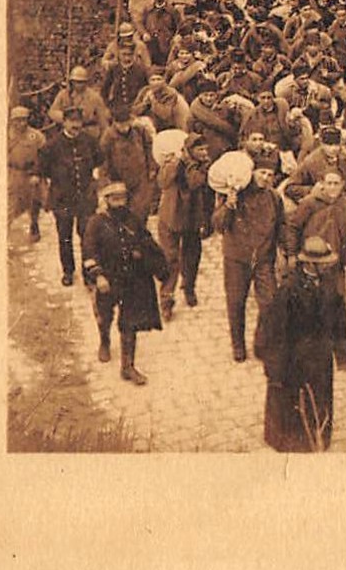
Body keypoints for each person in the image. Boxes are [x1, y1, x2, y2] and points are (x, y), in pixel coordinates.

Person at [285, 170, 346, 369]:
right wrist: (292, 254)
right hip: (310, 262)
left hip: (335, 264)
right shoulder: (309, 203)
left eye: (337, 183)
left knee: (338, 308)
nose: (333, 187)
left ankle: (344, 357)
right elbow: (292, 227)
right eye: (329, 183)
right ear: (322, 184)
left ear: (343, 184)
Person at [82, 182, 169, 384]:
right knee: (105, 315)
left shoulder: (133, 219)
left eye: (123, 198)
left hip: (131, 278)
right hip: (108, 278)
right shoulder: (96, 223)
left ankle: (127, 367)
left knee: (130, 322)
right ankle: (104, 340)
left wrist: (153, 262)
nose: (119, 203)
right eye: (115, 199)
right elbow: (89, 252)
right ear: (107, 200)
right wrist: (98, 276)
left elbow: (146, 241)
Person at [259, 236, 340, 453]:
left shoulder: (329, 284)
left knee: (319, 403)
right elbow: (274, 332)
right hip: (295, 363)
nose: (327, 267)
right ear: (310, 264)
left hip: (320, 361)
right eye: (323, 264)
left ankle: (318, 437)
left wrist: (340, 350)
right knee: (291, 409)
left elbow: (337, 318)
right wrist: (275, 370)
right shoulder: (288, 291)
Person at [212, 155, 285, 363]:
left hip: (263, 259)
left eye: (270, 175)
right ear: (252, 173)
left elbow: (282, 225)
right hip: (237, 258)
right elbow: (217, 225)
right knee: (236, 303)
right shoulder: (234, 194)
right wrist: (228, 206)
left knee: (269, 303)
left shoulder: (273, 197)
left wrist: (287, 250)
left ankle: (261, 343)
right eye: (262, 173)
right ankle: (238, 345)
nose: (266, 178)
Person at [39, 107, 103, 286]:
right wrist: (47, 197)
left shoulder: (90, 141)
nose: (76, 125)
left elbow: (99, 163)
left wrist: (95, 184)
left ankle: (88, 273)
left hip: (85, 199)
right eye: (72, 121)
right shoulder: (52, 145)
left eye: (79, 121)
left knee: (88, 237)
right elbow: (41, 172)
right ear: (64, 122)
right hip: (62, 199)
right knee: (65, 237)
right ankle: (68, 271)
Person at [156, 134, 214, 318]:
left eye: (206, 149)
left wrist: (207, 220)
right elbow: (162, 182)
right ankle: (166, 299)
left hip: (192, 220)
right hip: (170, 218)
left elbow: (202, 187)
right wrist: (173, 163)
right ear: (189, 151)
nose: (204, 153)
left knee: (192, 257)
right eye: (200, 150)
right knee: (170, 259)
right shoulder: (176, 163)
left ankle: (189, 288)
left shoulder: (206, 167)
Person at [99, 104, 156, 225]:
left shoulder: (140, 131)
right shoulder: (108, 137)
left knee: (140, 212)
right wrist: (105, 180)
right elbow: (103, 161)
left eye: (126, 123)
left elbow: (149, 149)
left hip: (141, 178)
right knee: (121, 213)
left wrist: (152, 168)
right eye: (120, 124)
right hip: (119, 180)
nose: (124, 127)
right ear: (115, 123)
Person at [286, 125, 346, 204]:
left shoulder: (343, 159)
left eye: (336, 145)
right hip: (320, 205)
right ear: (322, 144)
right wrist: (313, 190)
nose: (333, 148)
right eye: (329, 145)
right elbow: (290, 187)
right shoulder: (311, 162)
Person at [7, 106, 46, 238]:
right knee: (11, 203)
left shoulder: (35, 136)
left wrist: (37, 173)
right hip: (14, 172)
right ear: (12, 121)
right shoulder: (7, 135)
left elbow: (43, 156)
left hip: (31, 173)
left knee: (35, 201)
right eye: (17, 120)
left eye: (24, 120)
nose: (21, 123)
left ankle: (34, 225)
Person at [48, 65, 110, 141]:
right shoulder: (63, 94)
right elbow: (52, 112)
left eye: (82, 82)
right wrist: (67, 118)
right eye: (76, 82)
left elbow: (103, 120)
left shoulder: (94, 97)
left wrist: (104, 139)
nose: (79, 85)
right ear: (72, 82)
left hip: (87, 132)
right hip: (68, 132)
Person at [132, 68, 190, 133]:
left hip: (170, 128)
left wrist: (152, 100)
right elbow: (134, 110)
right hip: (151, 126)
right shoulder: (144, 91)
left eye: (158, 79)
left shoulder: (170, 93)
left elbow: (165, 115)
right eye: (153, 80)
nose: (155, 82)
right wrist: (144, 105)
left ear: (164, 81)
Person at [101, 40, 149, 117]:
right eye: (124, 54)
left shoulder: (140, 70)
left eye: (129, 54)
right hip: (117, 108)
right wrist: (107, 105)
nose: (127, 58)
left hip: (134, 109)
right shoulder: (114, 69)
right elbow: (104, 90)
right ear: (119, 54)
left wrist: (140, 106)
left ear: (133, 55)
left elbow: (146, 90)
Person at [138, 0, 181, 67]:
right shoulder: (148, 10)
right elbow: (139, 23)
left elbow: (179, 25)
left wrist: (176, 36)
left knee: (165, 62)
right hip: (151, 42)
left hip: (166, 42)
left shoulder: (172, 11)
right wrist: (144, 33)